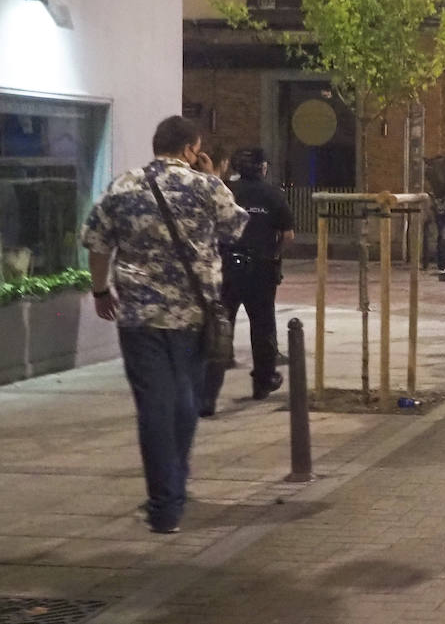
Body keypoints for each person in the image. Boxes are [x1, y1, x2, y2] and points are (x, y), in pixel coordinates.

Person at [81, 116, 248, 533]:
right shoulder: (207, 187)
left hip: (139, 318)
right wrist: (214, 177)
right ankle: (175, 486)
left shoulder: (123, 186)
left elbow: (97, 244)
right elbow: (236, 228)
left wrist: (101, 292)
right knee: (186, 399)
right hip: (193, 316)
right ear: (192, 148)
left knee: (153, 405)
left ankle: (165, 502)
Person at [200, 148, 294, 416]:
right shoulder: (274, 195)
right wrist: (274, 253)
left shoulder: (228, 190)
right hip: (261, 269)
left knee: (220, 328)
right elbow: (288, 235)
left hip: (228, 267)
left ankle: (208, 395)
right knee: (263, 326)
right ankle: (263, 381)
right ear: (263, 168)